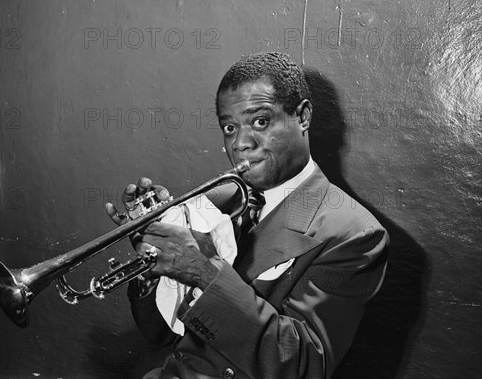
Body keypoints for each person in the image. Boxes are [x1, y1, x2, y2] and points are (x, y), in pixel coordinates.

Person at [106, 52, 390, 379]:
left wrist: (202, 270)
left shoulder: (354, 233)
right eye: (229, 127)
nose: (240, 143)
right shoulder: (214, 200)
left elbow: (304, 366)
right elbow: (160, 335)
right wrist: (155, 265)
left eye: (260, 121)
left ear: (303, 116)